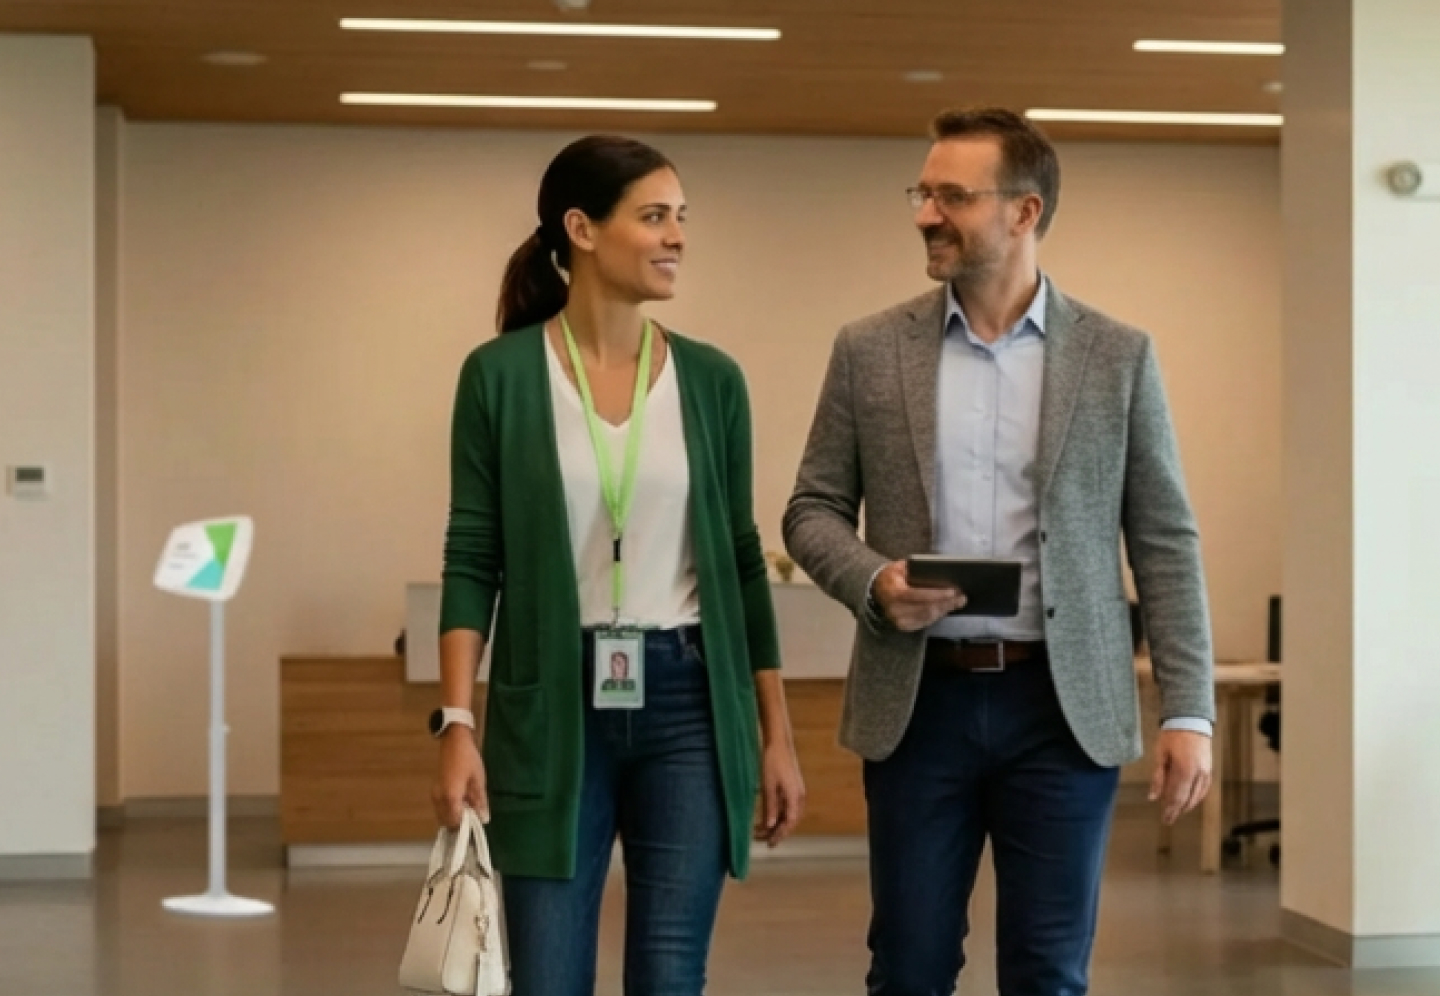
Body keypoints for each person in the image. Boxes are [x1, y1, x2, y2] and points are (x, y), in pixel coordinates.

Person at [782, 106, 1215, 996]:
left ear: (1024, 212)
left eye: (951, 195)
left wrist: (1189, 712)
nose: (924, 213)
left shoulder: (1117, 356)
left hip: (1062, 710)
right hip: (919, 706)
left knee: (1049, 973)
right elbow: (812, 510)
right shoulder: (869, 350)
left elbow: (1165, 538)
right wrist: (874, 581)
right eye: (922, 192)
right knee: (907, 969)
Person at [432, 134, 805, 996]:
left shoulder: (712, 381)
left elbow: (743, 563)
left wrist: (774, 733)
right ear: (582, 230)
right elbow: (471, 555)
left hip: (687, 703)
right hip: (549, 702)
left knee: (671, 978)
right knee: (548, 980)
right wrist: (458, 722)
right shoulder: (500, 377)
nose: (677, 236)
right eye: (654, 216)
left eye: (681, 218)